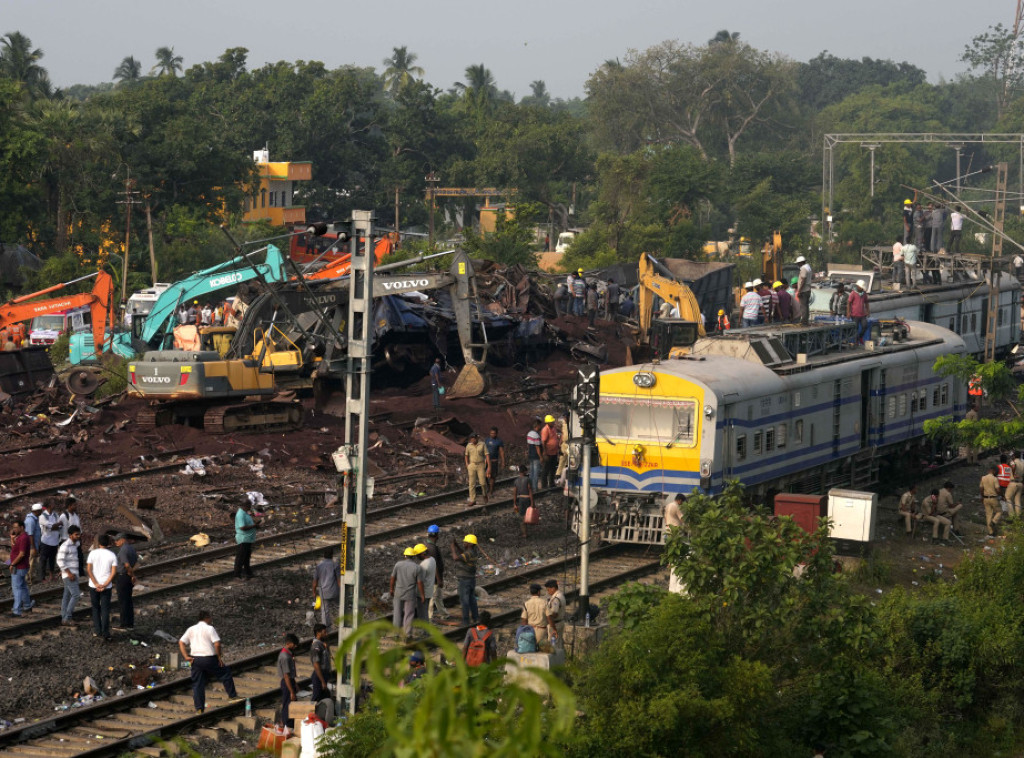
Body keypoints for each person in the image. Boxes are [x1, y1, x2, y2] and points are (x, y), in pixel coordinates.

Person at [178, 610, 239, 714]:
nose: (211, 620)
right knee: (225, 673)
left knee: (198, 684)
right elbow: (217, 644)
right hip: (209, 659)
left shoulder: (191, 629)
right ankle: (232, 696)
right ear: (206, 618)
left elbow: (181, 642)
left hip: (195, 660)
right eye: (210, 618)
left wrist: (186, 657)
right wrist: (219, 657)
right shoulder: (210, 628)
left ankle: (199, 708)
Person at [86, 533, 118, 641]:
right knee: (105, 609)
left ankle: (97, 631)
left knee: (95, 608)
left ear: (98, 543)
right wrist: (105, 584)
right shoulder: (112, 555)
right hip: (106, 586)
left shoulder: (92, 554)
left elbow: (89, 570)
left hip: (93, 585)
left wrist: (95, 583)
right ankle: (106, 632)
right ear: (109, 543)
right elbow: (113, 572)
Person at [390, 547, 424, 641]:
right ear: (413, 556)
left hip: (398, 593)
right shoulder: (417, 567)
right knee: (409, 614)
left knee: (397, 613)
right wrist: (422, 595)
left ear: (405, 555)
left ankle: (395, 634)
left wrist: (391, 589)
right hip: (410, 594)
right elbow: (419, 583)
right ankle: (407, 635)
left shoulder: (398, 565)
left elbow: (392, 578)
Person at [450, 534, 480, 626]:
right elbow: (463, 553)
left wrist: (452, 548)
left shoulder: (468, 554)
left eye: (465, 542)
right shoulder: (472, 552)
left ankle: (465, 621)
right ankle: (476, 618)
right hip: (471, 579)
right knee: (472, 600)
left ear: (470, 544)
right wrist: (457, 546)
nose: (464, 542)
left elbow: (456, 558)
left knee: (465, 601)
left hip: (465, 580)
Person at [56, 525, 83, 626]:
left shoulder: (75, 544)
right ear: (70, 535)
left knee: (66, 596)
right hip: (70, 575)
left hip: (72, 573)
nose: (78, 536)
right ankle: (68, 617)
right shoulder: (65, 545)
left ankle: (64, 617)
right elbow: (60, 560)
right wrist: (68, 572)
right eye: (76, 534)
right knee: (76, 595)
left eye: (79, 534)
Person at [112, 533, 138, 631]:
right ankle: (130, 624)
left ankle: (124, 624)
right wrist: (133, 574)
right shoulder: (131, 548)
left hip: (123, 576)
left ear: (122, 540)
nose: (115, 542)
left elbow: (126, 565)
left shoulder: (123, 550)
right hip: (128, 577)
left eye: (117, 540)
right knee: (128, 601)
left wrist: (132, 575)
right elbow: (137, 563)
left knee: (123, 601)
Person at [8, 520, 33, 616]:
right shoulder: (20, 537)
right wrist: (12, 539)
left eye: (15, 527)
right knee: (22, 586)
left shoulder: (23, 538)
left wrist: (12, 564)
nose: (14, 529)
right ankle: (27, 606)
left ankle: (17, 610)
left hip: (19, 566)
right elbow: (15, 548)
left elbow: (21, 554)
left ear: (21, 527)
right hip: (21, 566)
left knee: (17, 588)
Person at [312, 548, 340, 629]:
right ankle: (342, 622)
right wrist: (342, 590)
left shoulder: (319, 566)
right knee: (341, 606)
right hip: (335, 591)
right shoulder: (335, 565)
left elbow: (315, 581)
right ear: (332, 555)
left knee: (325, 610)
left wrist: (314, 592)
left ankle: (326, 627)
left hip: (323, 592)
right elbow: (339, 580)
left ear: (324, 556)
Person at [424, 525, 447, 621]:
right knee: (432, 598)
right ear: (437, 535)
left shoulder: (426, 545)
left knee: (438, 597)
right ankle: (429, 617)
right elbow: (435, 566)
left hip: (429, 577)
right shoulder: (432, 548)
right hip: (433, 578)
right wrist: (439, 580)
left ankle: (444, 614)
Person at [278, 634, 299, 731]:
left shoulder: (288, 654)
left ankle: (289, 723)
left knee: (291, 703)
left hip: (290, 681)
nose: (296, 646)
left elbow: (290, 674)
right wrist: (292, 691)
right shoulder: (285, 657)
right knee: (288, 704)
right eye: (294, 644)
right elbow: (286, 676)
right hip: (287, 683)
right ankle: (287, 725)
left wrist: (295, 684)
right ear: (288, 643)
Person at [233, 501, 259, 579]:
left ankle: (248, 573)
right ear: (245, 505)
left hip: (248, 539)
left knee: (246, 557)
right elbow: (242, 527)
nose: (250, 507)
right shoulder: (240, 514)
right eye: (249, 506)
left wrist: (255, 526)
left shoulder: (245, 513)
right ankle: (237, 575)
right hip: (243, 539)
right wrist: (254, 526)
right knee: (240, 558)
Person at [38, 499, 61, 582]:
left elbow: (59, 526)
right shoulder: (42, 516)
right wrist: (56, 525)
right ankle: (42, 577)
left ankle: (52, 576)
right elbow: (52, 526)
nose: (54, 504)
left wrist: (56, 526)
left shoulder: (55, 515)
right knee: (43, 560)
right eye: (52, 503)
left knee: (52, 559)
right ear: (49, 505)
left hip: (54, 541)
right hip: (46, 541)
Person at [464, 432, 488, 506]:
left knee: (483, 483)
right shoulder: (468, 446)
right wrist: (467, 465)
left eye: (474, 438)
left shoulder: (482, 444)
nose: (473, 440)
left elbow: (487, 455)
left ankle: (484, 494)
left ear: (477, 438)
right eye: (471, 438)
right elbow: (466, 455)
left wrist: (488, 466)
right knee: (471, 483)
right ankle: (472, 500)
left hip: (481, 464)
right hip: (472, 465)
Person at [310, 623, 332, 703]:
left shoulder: (322, 644)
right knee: (316, 699)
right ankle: (310, 715)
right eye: (324, 632)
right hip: (319, 676)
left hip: (323, 675)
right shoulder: (316, 646)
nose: (326, 634)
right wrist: (322, 681)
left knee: (325, 698)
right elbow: (316, 665)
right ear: (318, 633)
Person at [980, 464, 1003, 536]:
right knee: (999, 511)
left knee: (988, 514)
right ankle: (994, 521)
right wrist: (1002, 495)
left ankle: (991, 532)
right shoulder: (994, 479)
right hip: (993, 498)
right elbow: (998, 490)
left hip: (986, 499)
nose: (997, 473)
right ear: (994, 470)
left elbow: (981, 489)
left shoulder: (983, 478)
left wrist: (982, 497)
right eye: (997, 472)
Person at [415, 543, 436, 621]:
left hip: (423, 593)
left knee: (422, 614)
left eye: (418, 554)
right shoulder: (432, 559)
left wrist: (422, 595)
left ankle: (425, 632)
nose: (417, 556)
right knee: (425, 612)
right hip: (429, 591)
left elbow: (420, 582)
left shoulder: (423, 565)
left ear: (423, 553)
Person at [513, 465, 534, 539]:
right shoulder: (527, 479)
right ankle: (529, 528)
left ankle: (524, 533)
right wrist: (532, 503)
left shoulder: (516, 481)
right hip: (527, 499)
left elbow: (515, 493)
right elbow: (530, 491)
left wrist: (514, 503)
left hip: (521, 499)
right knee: (529, 515)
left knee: (522, 517)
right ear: (525, 471)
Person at [540, 415, 561, 489]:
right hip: (548, 453)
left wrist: (558, 447)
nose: (553, 422)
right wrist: (545, 453)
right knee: (546, 470)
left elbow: (555, 438)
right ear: (548, 422)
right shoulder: (545, 430)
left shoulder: (553, 428)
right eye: (552, 421)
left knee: (553, 469)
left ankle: (551, 484)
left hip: (554, 452)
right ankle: (544, 486)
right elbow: (543, 442)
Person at [484, 427, 506, 497]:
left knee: (492, 477)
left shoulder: (499, 441)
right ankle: (488, 486)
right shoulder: (486, 440)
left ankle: (491, 491)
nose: (492, 434)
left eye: (493, 433)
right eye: (491, 433)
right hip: (486, 461)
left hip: (494, 461)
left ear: (496, 434)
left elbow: (501, 452)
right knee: (484, 475)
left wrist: (503, 462)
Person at [544, 579, 566, 644]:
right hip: (560, 622)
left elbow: (554, 614)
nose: (548, 592)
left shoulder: (556, 599)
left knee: (552, 644)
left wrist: (547, 616)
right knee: (558, 642)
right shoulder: (560, 595)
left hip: (555, 624)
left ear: (553, 588)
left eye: (548, 590)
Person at [24, 503, 40, 584]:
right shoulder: (30, 520)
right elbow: (30, 535)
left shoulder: (34, 519)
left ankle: (31, 578)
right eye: (40, 511)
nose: (41, 512)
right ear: (37, 511)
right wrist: (33, 548)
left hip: (33, 545)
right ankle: (29, 580)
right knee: (30, 563)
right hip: (30, 546)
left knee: (32, 563)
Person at [526, 418, 543, 492]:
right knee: (536, 472)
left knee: (531, 472)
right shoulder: (536, 435)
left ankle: (530, 487)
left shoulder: (529, 433)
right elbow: (537, 447)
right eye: (540, 425)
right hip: (536, 456)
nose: (540, 427)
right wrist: (541, 457)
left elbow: (529, 445)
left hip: (531, 455)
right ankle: (535, 488)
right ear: (537, 425)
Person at [795, 256, 812, 325]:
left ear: (801, 262)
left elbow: (803, 279)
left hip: (804, 290)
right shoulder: (808, 268)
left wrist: (799, 290)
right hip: (808, 289)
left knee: (803, 306)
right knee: (806, 306)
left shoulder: (803, 268)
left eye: (798, 263)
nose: (798, 265)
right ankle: (806, 320)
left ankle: (804, 321)